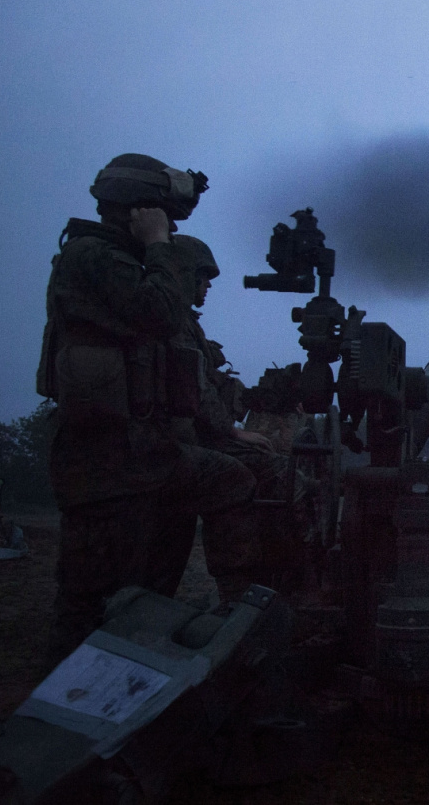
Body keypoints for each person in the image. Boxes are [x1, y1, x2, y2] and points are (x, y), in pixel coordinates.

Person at [37, 153, 258, 664]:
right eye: (165, 216)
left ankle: (221, 617)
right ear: (137, 209)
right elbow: (160, 313)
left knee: (145, 580)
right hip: (106, 461)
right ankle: (63, 694)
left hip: (140, 454)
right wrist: (158, 244)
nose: (172, 228)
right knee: (88, 600)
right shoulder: (95, 256)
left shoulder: (111, 260)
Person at [154, 235, 308, 596]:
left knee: (280, 471)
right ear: (183, 276)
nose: (208, 287)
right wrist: (233, 432)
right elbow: (195, 391)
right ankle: (244, 586)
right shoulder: (174, 325)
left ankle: (273, 579)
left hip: (192, 435)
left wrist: (274, 396)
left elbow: (216, 386)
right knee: (273, 475)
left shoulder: (184, 323)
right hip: (179, 439)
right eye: (202, 279)